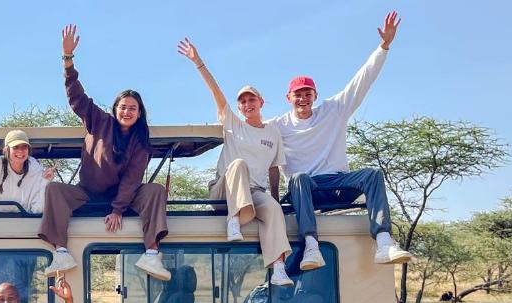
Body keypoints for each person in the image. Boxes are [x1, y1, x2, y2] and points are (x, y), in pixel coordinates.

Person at [268, 11, 411, 271]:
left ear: (315, 95)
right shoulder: (277, 126)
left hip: (336, 183)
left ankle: (383, 240)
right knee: (298, 177)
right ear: (288, 97)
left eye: (307, 94)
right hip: (306, 190)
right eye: (297, 94)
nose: (303, 98)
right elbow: (250, 132)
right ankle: (311, 245)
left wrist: (384, 46)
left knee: (372, 174)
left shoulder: (334, 110)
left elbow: (362, 81)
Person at [40, 24, 171, 281]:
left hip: (124, 197)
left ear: (140, 113)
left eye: (133, 108)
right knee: (54, 189)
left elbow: (133, 179)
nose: (127, 112)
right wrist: (68, 60)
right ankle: (61, 251)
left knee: (155, 190)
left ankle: (152, 254)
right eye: (123, 107)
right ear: (115, 108)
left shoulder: (141, 140)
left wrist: (118, 210)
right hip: (87, 194)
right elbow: (77, 97)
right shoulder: (99, 121)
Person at [178, 38, 293, 287]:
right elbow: (215, 90)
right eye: (242, 101)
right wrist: (198, 62)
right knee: (239, 164)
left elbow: (274, 168)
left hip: (254, 195)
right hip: (223, 193)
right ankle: (233, 221)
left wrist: (275, 197)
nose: (247, 104)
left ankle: (278, 268)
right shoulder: (232, 123)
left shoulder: (272, 133)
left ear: (261, 103)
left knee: (273, 209)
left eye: (252, 100)